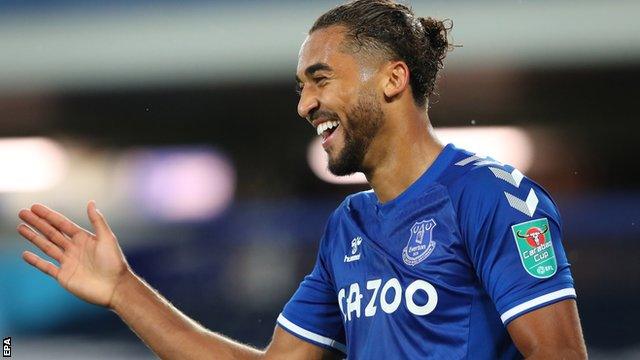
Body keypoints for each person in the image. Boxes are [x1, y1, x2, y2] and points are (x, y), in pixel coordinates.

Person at [17, 0, 587, 359]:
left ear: (392, 79)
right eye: (300, 88)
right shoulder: (348, 228)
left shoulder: (491, 197)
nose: (305, 105)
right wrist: (124, 291)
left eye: (319, 80)